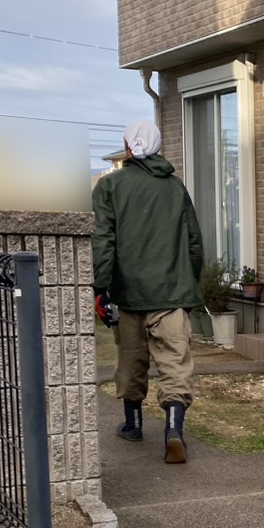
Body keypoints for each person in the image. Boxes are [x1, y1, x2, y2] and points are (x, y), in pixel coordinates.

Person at [91, 120, 204, 463]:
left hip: (129, 294)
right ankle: (173, 430)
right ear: (157, 147)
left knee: (131, 359)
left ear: (128, 147)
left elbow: (103, 240)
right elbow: (194, 242)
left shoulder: (109, 186)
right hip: (172, 293)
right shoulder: (175, 188)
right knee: (175, 362)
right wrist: (189, 282)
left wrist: (100, 286)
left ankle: (133, 425)